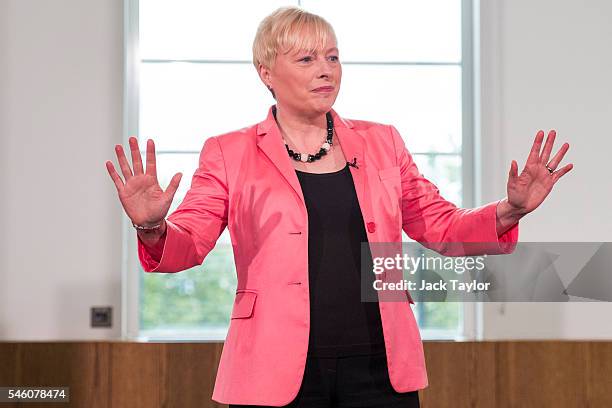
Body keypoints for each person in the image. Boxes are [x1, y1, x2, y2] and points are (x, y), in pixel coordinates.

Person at [105, 6, 573, 408]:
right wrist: (152, 227)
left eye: (332, 57)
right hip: (272, 369)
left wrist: (510, 210)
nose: (325, 69)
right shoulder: (228, 151)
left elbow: (442, 226)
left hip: (380, 367)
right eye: (306, 59)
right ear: (267, 72)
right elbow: (189, 243)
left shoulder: (383, 142)